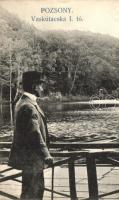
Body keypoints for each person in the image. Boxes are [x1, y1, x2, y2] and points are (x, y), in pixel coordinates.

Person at [8, 71, 53, 200]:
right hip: (32, 160)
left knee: (30, 193)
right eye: (40, 85)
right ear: (34, 86)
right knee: (34, 194)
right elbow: (34, 134)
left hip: (29, 160)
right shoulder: (28, 106)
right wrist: (46, 155)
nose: (42, 88)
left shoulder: (23, 102)